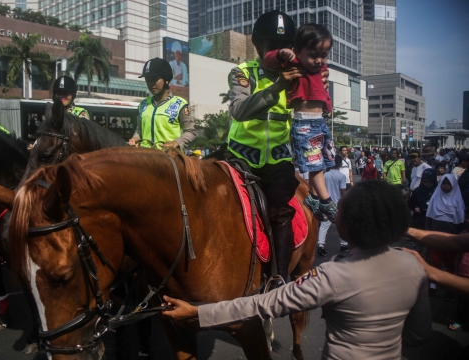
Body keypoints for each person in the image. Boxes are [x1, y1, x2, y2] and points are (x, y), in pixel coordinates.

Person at [162, 180, 432, 359]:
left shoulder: (332, 275)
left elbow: (261, 305)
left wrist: (197, 311)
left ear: (347, 227)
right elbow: (418, 335)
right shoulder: (414, 266)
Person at [223, 11, 330, 286]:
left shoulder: (300, 73)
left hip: (278, 162)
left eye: (282, 46)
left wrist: (319, 86)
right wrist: (278, 87)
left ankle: (279, 278)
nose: (277, 52)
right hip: (238, 158)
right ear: (258, 46)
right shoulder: (242, 72)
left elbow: (314, 112)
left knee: (280, 213)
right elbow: (238, 110)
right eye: (270, 45)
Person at [262, 23, 337, 223]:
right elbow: (268, 59)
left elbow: (323, 90)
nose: (319, 60)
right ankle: (326, 200)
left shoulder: (321, 68)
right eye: (314, 54)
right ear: (298, 52)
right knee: (315, 165)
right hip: (304, 123)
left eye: (324, 54)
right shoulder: (293, 63)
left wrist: (328, 107)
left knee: (326, 160)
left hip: (319, 122)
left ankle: (313, 198)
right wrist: (281, 54)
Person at [129, 58, 196, 150]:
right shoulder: (143, 105)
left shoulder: (180, 104)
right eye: (147, 80)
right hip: (145, 157)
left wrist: (177, 142)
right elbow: (139, 129)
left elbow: (190, 131)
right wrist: (135, 138)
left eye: (154, 79)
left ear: (166, 80)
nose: (150, 83)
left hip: (170, 159)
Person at [425, 174, 466, 299]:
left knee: (450, 262)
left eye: (448, 184)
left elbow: (461, 220)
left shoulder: (458, 199)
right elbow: (429, 216)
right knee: (435, 260)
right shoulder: (435, 197)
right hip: (436, 234)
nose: (445, 186)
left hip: (451, 236)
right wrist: (427, 234)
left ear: (453, 185)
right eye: (443, 183)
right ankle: (433, 286)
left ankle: (449, 287)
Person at [317, 155, 348, 257]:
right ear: (340, 164)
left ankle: (321, 245)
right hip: (337, 203)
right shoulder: (342, 176)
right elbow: (343, 191)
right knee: (341, 224)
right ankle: (344, 244)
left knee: (324, 225)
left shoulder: (325, 175)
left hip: (326, 202)